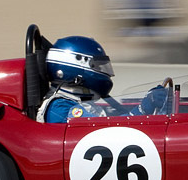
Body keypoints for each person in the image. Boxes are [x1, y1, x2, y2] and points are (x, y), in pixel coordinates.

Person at [36, 36, 170, 123]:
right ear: (76, 66)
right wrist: (143, 109)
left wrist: (147, 103)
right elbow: (107, 132)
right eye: (98, 66)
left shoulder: (80, 103)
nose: (103, 72)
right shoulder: (60, 107)